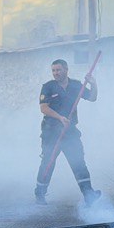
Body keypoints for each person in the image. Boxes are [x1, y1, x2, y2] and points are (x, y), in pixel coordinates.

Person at [34, 59, 101, 205]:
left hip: (70, 132)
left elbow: (92, 97)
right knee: (48, 162)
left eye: (58, 70)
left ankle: (89, 195)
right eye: (53, 70)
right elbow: (43, 108)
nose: (56, 73)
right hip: (51, 132)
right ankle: (40, 193)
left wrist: (93, 84)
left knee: (78, 161)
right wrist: (59, 117)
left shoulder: (76, 85)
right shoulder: (48, 87)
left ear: (66, 70)